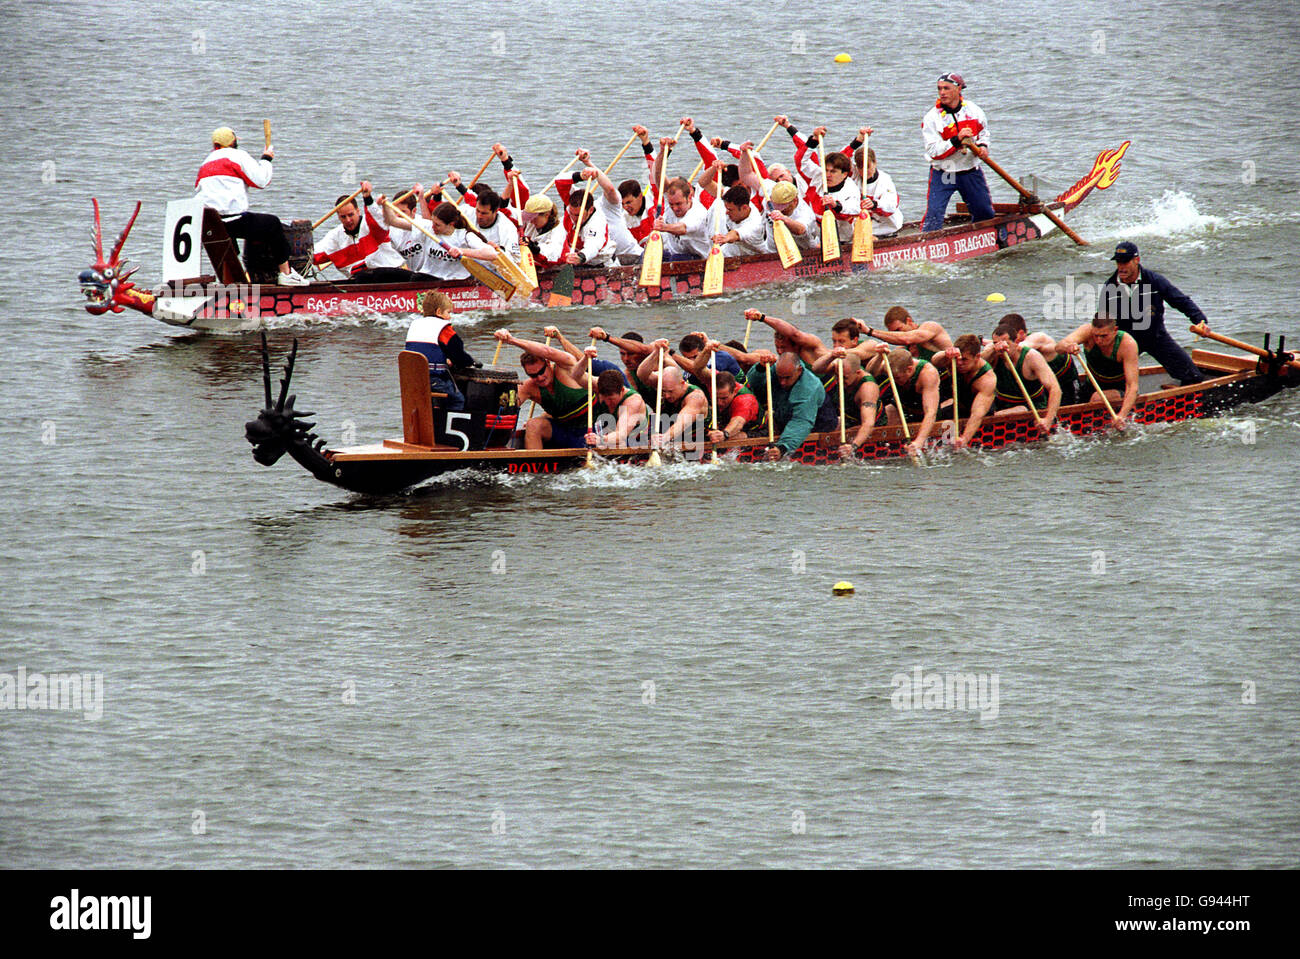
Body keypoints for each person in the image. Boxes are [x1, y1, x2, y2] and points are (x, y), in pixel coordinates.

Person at [195, 126, 308, 285]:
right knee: (272, 223)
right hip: (231, 221)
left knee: (233, 230)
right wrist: (266, 159)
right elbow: (261, 181)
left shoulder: (205, 162)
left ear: (215, 145)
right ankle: (286, 274)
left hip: (209, 223)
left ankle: (231, 279)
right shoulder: (237, 155)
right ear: (234, 143)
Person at [1100, 241, 1207, 385]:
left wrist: (1200, 321)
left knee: (1194, 377)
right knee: (1106, 381)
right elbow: (1103, 321)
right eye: (1118, 262)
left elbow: (1180, 301)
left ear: (1137, 260)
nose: (1121, 267)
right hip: (1126, 341)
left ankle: (1179, 402)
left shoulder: (1155, 280)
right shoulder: (1110, 286)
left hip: (1155, 337)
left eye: (1125, 262)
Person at [493, 329, 593, 449]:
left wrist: (511, 340)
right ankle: (534, 463)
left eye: (541, 371)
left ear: (547, 363)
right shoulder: (528, 387)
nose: (539, 378)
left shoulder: (564, 367)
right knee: (533, 425)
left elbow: (548, 351)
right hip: (565, 431)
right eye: (533, 375)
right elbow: (505, 407)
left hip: (594, 429)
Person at [921, 72, 995, 232]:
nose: (942, 93)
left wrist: (983, 146)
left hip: (970, 171)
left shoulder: (974, 110)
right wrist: (956, 140)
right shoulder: (931, 118)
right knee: (934, 214)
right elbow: (934, 152)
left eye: (946, 88)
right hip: (945, 172)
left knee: (985, 212)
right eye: (939, 89)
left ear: (958, 89)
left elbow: (984, 133)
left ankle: (987, 241)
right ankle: (926, 244)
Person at [1055, 311, 1140, 428]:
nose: (1099, 340)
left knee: (1097, 398)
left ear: (1115, 331)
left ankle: (1090, 428)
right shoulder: (1087, 331)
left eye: (1104, 336)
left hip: (1119, 390)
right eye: (1096, 336)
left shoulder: (1128, 344)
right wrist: (1068, 346)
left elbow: (1132, 386)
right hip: (1092, 386)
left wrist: (1122, 415)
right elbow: (1058, 347)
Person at [312, 182, 412, 281]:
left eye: (351, 215)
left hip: (394, 271)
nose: (348, 220)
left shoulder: (370, 224)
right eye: (343, 217)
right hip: (364, 280)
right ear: (338, 217)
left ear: (358, 211)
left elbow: (379, 221)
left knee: (367, 276)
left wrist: (367, 198)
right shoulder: (334, 236)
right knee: (361, 277)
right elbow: (312, 255)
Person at [746, 351, 834, 461]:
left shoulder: (810, 387)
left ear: (799, 370)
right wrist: (760, 368)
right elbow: (750, 384)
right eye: (780, 377)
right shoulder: (776, 369)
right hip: (785, 416)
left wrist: (782, 448)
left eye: (787, 378)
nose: (782, 382)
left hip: (818, 424)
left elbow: (801, 421)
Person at [405, 291, 477, 411]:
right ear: (439, 312)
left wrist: (445, 360)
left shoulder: (415, 324)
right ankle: (445, 428)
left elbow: (426, 350)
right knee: (457, 400)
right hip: (433, 379)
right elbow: (458, 355)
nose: (450, 316)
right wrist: (470, 362)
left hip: (412, 379)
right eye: (448, 312)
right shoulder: (443, 328)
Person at [991, 312, 1080, 405]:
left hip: (1065, 382)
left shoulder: (1037, 337)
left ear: (1020, 333)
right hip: (1044, 383)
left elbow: (1019, 346)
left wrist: (995, 345)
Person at [989, 322, 1062, 431]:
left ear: (1017, 342)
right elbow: (976, 364)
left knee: (1016, 410)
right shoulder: (993, 354)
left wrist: (1048, 419)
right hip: (1002, 403)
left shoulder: (1031, 357)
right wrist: (991, 350)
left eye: (1005, 343)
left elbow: (1055, 389)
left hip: (1030, 407)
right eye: (996, 343)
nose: (1001, 348)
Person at [812, 348, 883, 459]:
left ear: (858, 372)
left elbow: (868, 423)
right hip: (849, 419)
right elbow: (816, 368)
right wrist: (831, 355)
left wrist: (853, 446)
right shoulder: (840, 369)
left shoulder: (868, 388)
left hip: (871, 426)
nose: (840, 381)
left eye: (844, 378)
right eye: (837, 376)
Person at [636, 343, 711, 447]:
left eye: (670, 391)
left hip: (694, 439)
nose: (666, 396)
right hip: (668, 435)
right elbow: (641, 374)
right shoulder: (663, 381)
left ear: (682, 384)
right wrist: (656, 352)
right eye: (663, 391)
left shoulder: (695, 397)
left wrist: (664, 438)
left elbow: (682, 422)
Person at [936, 334, 998, 448]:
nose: (959, 363)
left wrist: (964, 439)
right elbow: (935, 360)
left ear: (977, 357)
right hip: (960, 407)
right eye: (958, 359)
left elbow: (977, 414)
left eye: (964, 360)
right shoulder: (953, 360)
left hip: (982, 415)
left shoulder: (987, 378)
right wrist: (946, 354)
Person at [879, 346, 943, 456]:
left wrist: (919, 442)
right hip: (902, 407)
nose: (894, 382)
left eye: (897, 378)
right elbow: (870, 371)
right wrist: (877, 356)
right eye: (892, 378)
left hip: (924, 413)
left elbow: (930, 412)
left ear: (909, 369)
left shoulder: (928, 374)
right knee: (887, 412)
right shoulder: (889, 366)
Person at [419, 200, 502, 281]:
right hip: (427, 276)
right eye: (432, 222)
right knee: (407, 275)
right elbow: (406, 223)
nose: (432, 227)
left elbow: (492, 254)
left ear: (451, 224)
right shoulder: (429, 228)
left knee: (415, 278)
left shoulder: (465, 236)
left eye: (437, 225)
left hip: (450, 281)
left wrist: (461, 251)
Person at [858, 306, 953, 362]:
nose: (896, 335)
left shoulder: (931, 327)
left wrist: (869, 331)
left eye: (898, 330)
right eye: (893, 333)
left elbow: (906, 338)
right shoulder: (902, 349)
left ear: (909, 321)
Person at [586, 368, 649, 449]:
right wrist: (585, 358)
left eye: (611, 399)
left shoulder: (633, 401)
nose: (608, 403)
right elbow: (576, 375)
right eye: (604, 398)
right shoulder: (597, 385)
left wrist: (600, 440)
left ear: (622, 390)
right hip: (610, 437)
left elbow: (621, 435)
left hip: (634, 442)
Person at [700, 363, 762, 442]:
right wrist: (706, 351)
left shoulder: (745, 400)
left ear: (735, 391)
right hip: (726, 420)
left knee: (737, 436)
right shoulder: (712, 380)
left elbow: (738, 422)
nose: (719, 403)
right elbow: (698, 368)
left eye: (724, 398)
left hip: (755, 430)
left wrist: (724, 434)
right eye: (716, 398)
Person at [855, 144, 904, 236]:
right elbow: (840, 161)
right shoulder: (854, 175)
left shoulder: (885, 181)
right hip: (864, 229)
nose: (864, 171)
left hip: (887, 228)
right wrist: (856, 142)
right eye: (860, 168)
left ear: (875, 163)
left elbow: (891, 206)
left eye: (867, 167)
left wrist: (874, 204)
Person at [711, 185, 773, 256]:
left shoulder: (755, 225)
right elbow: (704, 183)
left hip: (753, 256)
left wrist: (725, 238)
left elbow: (735, 234)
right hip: (732, 250)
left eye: (730, 210)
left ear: (744, 208)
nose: (726, 212)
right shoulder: (740, 201)